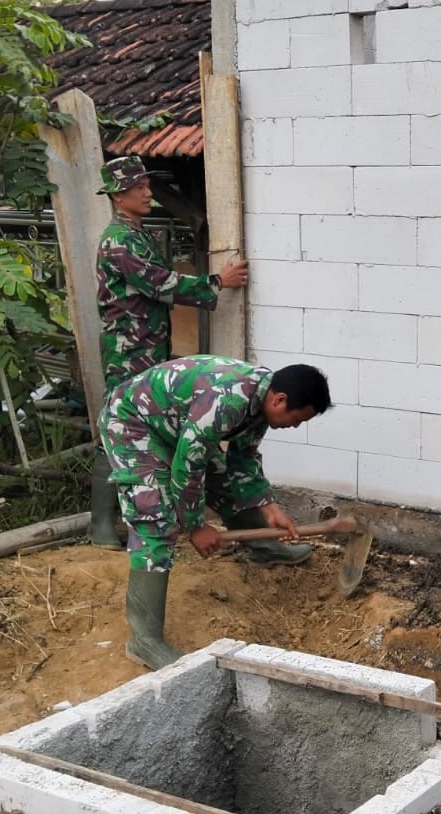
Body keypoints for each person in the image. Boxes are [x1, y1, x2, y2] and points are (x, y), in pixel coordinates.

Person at [86, 156, 291, 565]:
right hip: (128, 348)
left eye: (147, 184)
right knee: (119, 420)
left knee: (152, 424)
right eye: (138, 187)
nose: (148, 192)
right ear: (117, 194)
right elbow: (162, 283)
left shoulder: (137, 233)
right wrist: (219, 281)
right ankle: (101, 525)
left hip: (147, 343)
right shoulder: (119, 240)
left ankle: (147, 517)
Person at [99, 355, 332, 669]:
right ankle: (144, 640)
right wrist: (196, 526)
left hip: (174, 428)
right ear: (280, 400)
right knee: (155, 520)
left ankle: (262, 548)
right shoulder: (227, 400)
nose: (295, 427)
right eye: (299, 419)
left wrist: (268, 504)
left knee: (225, 478)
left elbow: (243, 458)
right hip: (132, 424)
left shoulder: (263, 395)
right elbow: (187, 467)